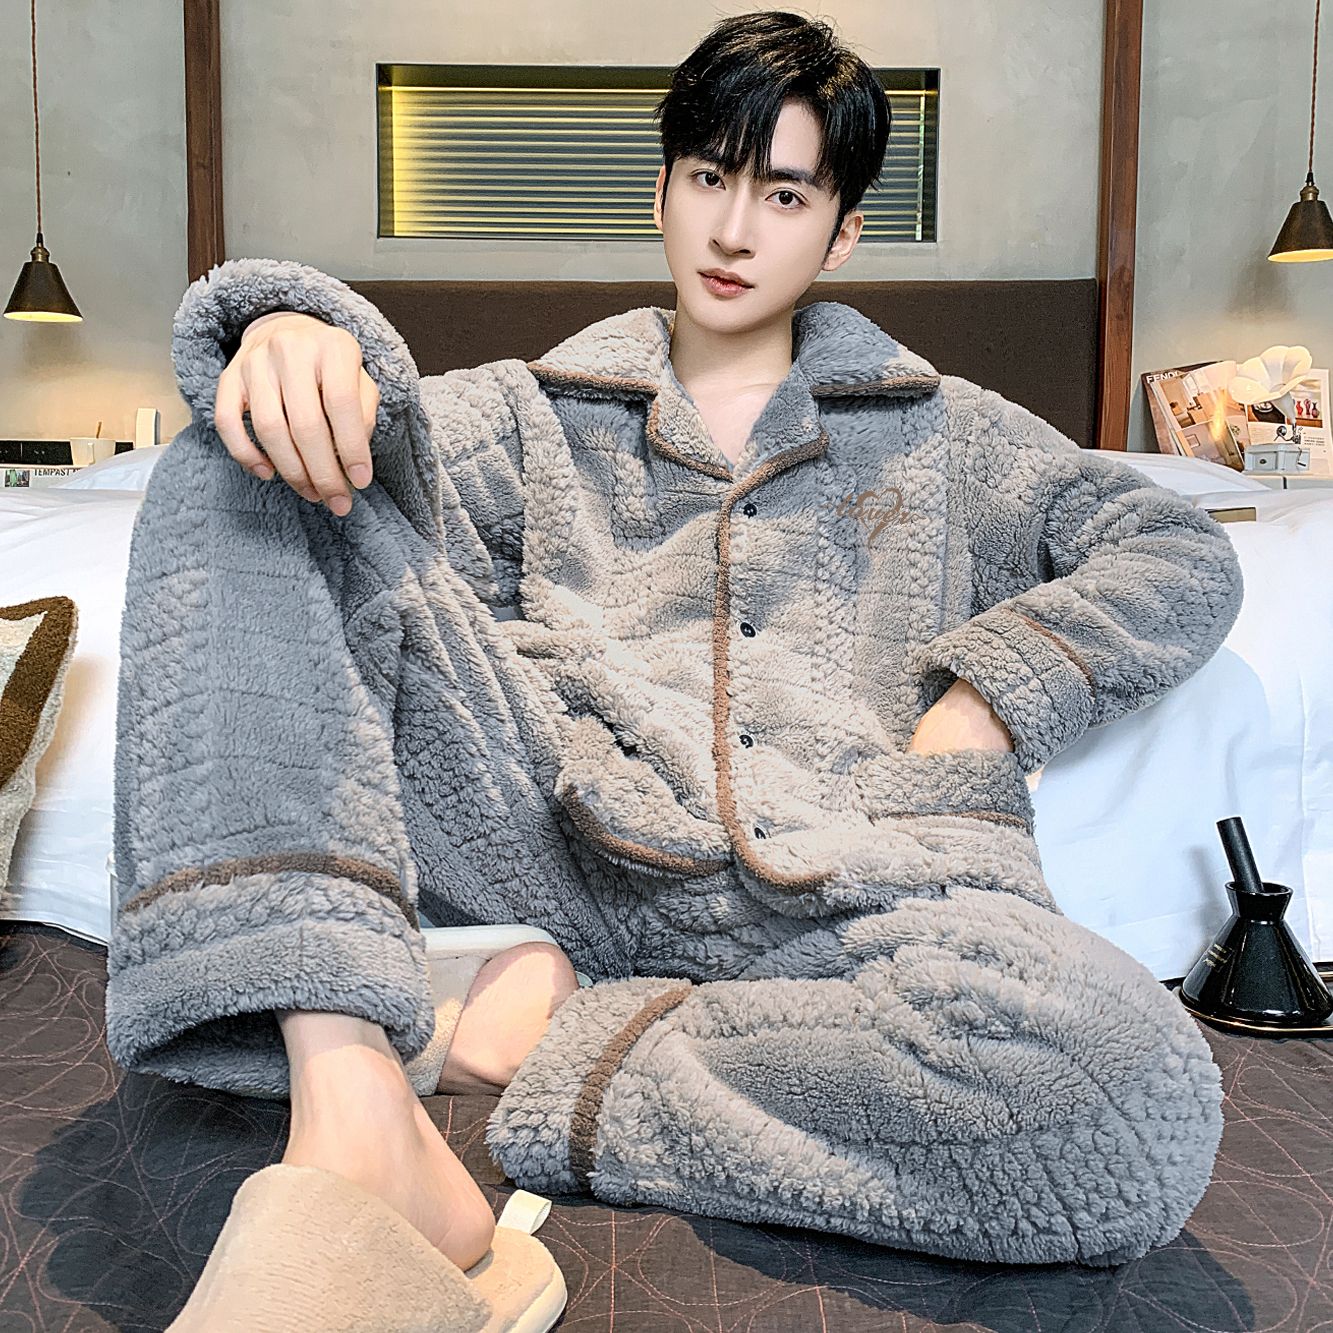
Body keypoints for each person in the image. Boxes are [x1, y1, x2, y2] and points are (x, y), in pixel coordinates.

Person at [107, 10, 1244, 1280]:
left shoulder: (949, 434)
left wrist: (978, 707)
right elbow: (378, 451)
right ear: (661, 190)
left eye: (784, 193)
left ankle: (534, 1036)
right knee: (239, 451)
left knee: (1131, 1099)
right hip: (551, 843)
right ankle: (349, 1095)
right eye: (708, 177)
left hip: (840, 890)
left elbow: (1175, 548)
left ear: (841, 231)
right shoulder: (533, 413)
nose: (734, 229)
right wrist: (284, 329)